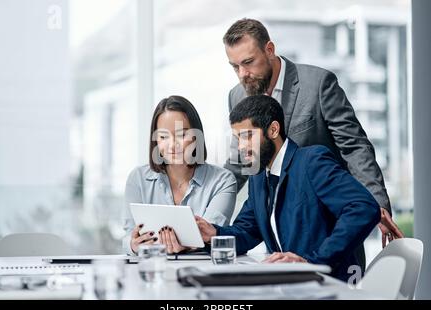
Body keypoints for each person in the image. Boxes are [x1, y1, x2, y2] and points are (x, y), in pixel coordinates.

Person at [222, 18, 402, 248]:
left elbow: (354, 146)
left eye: (248, 62)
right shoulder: (237, 96)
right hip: (278, 233)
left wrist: (375, 202)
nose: (242, 74)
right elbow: (240, 164)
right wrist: (205, 202)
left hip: (328, 227)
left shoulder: (318, 84)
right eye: (235, 66)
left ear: (269, 50)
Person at [197, 95, 380, 281]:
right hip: (294, 284)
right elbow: (247, 230)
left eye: (247, 136)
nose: (241, 147)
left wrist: (314, 262)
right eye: (238, 139)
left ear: (273, 130)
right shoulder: (258, 178)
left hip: (331, 283)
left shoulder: (312, 161)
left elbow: (364, 207)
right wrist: (214, 233)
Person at [123, 95, 237, 254]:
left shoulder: (222, 181)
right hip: (154, 266)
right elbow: (128, 235)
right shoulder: (138, 179)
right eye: (163, 137)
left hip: (204, 270)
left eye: (182, 135)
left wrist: (189, 244)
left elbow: (209, 233)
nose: (172, 145)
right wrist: (134, 245)